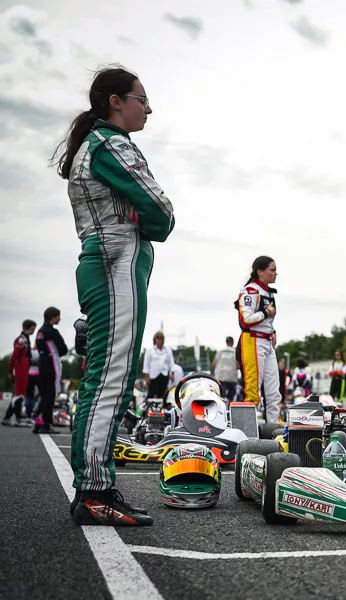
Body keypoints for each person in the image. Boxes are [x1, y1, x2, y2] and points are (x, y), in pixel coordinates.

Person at [55, 66, 174, 526]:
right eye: (141, 99)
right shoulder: (109, 143)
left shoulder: (98, 145)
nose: (148, 108)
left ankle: (96, 484)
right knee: (109, 376)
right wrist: (152, 225)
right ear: (115, 102)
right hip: (114, 261)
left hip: (109, 259)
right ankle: (94, 490)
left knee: (110, 374)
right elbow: (161, 209)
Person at [235, 255, 281, 424]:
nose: (276, 274)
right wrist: (265, 313)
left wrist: (273, 330)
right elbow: (245, 320)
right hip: (253, 341)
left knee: (273, 391)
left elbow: (265, 320)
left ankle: (275, 428)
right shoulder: (250, 291)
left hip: (267, 342)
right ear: (260, 272)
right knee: (253, 390)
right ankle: (247, 430)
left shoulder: (267, 292)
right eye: (272, 270)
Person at [34, 307, 69, 435]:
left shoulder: (39, 332)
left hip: (41, 364)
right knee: (51, 394)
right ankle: (46, 423)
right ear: (52, 317)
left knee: (43, 395)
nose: (59, 319)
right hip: (52, 364)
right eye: (58, 316)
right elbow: (63, 349)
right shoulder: (52, 332)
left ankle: (38, 421)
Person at [3, 319, 37, 427]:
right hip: (20, 367)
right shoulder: (21, 340)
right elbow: (14, 356)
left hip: (25, 367)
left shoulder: (26, 339)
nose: (33, 331)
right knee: (19, 394)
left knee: (20, 394)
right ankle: (18, 418)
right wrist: (10, 370)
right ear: (26, 328)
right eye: (32, 329)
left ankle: (8, 417)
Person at [142, 331, 174, 399]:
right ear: (154, 339)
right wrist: (147, 377)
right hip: (153, 375)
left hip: (164, 374)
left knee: (163, 394)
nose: (159, 339)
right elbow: (146, 364)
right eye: (157, 337)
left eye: (161, 338)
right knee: (152, 393)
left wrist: (172, 374)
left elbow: (171, 363)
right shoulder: (150, 350)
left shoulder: (168, 350)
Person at [213, 336, 238, 403]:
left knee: (221, 394)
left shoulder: (220, 351)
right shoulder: (235, 352)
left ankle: (221, 406)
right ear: (233, 342)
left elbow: (214, 364)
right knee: (231, 394)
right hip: (232, 376)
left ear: (226, 342)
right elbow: (238, 365)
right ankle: (230, 406)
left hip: (221, 375)